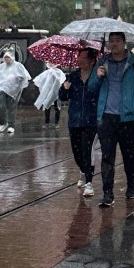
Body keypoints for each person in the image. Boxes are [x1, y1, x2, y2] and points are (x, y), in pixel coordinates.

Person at [89, 31, 134, 207]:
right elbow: (92, 88)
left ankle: (131, 186)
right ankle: (108, 193)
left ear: (124, 43)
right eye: (111, 41)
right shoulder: (102, 62)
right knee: (107, 155)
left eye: (117, 41)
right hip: (106, 116)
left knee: (128, 153)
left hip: (127, 117)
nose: (113, 44)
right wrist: (98, 77)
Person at [60, 47, 100, 197]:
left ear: (91, 60)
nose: (79, 60)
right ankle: (83, 171)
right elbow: (63, 97)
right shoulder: (73, 76)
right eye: (79, 57)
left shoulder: (97, 75)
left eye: (83, 58)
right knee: (77, 152)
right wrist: (64, 89)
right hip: (75, 120)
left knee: (87, 150)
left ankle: (89, 182)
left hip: (91, 120)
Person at [0, 51, 30, 134]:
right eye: (5, 57)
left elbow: (24, 76)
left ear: (12, 57)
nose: (6, 59)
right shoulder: (2, 66)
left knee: (11, 108)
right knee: (2, 106)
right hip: (2, 89)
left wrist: (19, 79)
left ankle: (11, 125)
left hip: (14, 90)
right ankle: (3, 123)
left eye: (8, 57)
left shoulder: (18, 66)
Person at [33, 61, 66, 129]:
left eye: (53, 63)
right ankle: (47, 122)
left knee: (57, 108)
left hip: (56, 93)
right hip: (48, 92)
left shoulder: (58, 72)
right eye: (50, 63)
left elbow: (61, 80)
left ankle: (56, 123)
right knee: (47, 107)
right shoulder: (47, 72)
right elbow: (41, 80)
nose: (52, 64)